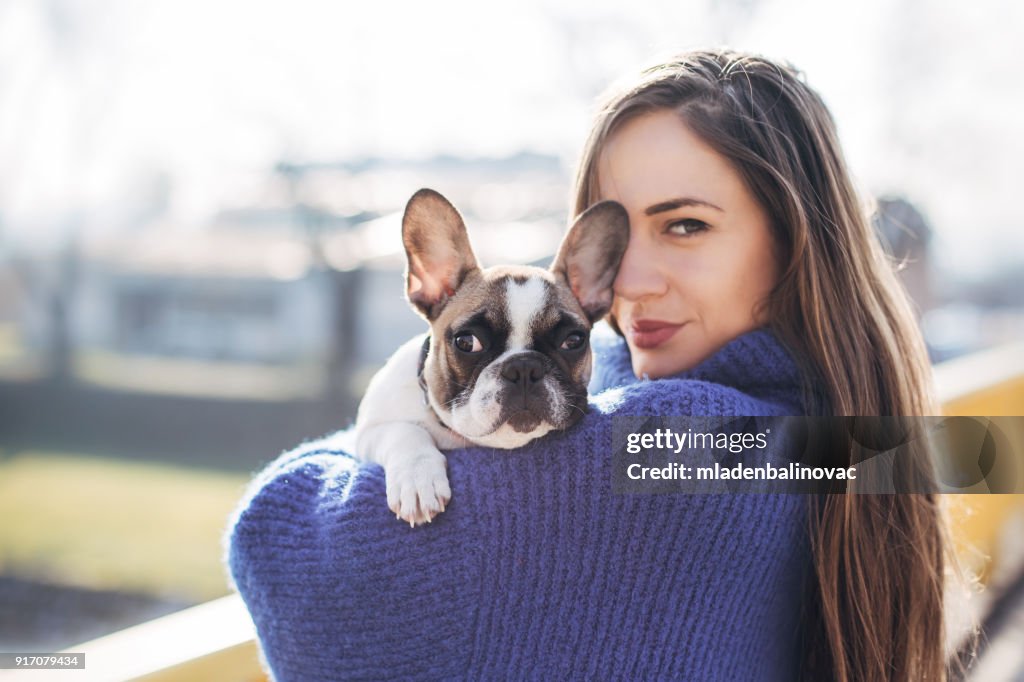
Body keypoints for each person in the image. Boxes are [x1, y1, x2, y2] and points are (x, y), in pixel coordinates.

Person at [228, 49, 949, 681]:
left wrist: (412, 411)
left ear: (798, 242)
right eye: (615, 240)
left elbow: (273, 537)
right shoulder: (855, 431)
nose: (628, 283)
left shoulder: (668, 447)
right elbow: (980, 451)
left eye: (685, 225)